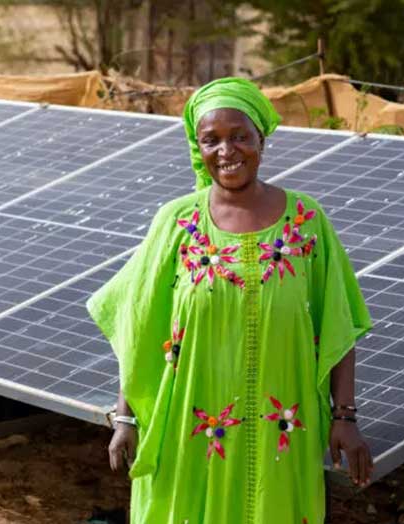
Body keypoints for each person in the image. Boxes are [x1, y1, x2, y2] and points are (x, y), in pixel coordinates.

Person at [87, 77, 374, 524]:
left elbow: (338, 325)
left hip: (284, 426)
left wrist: (346, 417)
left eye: (239, 136)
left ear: (261, 137)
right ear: (196, 147)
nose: (227, 151)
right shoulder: (176, 222)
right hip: (190, 425)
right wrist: (125, 420)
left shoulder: (308, 222)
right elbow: (138, 326)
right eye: (211, 140)